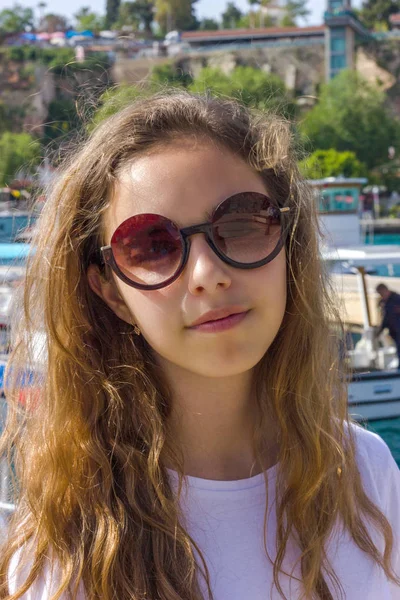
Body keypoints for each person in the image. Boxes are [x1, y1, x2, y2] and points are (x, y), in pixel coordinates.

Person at [0, 92, 399, 600]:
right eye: (150, 245)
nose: (208, 275)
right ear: (111, 293)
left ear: (289, 242)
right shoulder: (69, 536)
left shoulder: (366, 473)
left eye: (241, 223)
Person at [376, 283, 400, 367]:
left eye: (381, 294)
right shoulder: (385, 302)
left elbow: (388, 317)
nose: (381, 296)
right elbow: (386, 319)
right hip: (395, 331)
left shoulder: (396, 299)